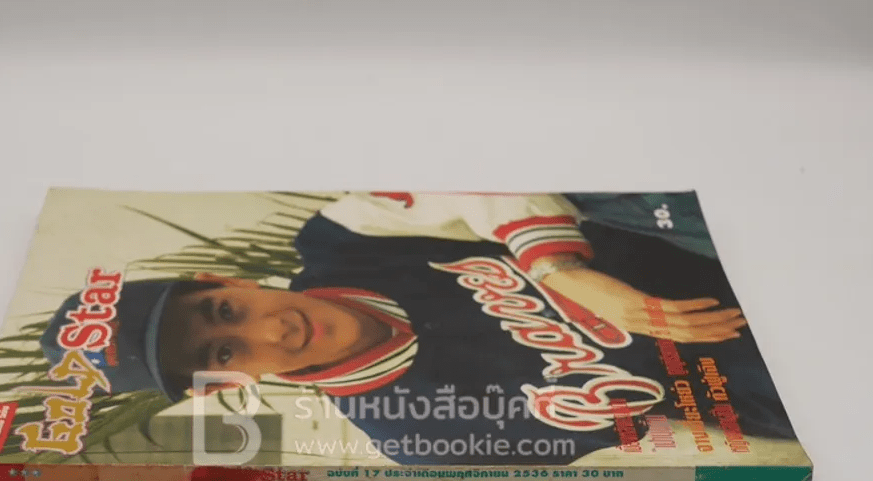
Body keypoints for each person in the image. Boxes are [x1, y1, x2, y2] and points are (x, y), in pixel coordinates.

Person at [41, 191, 795, 465]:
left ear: (220, 281)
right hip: (771, 378)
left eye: (227, 312)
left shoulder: (343, 237)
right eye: (227, 351)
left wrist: (559, 269)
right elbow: (660, 440)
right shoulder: (414, 432)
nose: (275, 333)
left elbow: (475, 175)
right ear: (219, 384)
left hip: (715, 248)